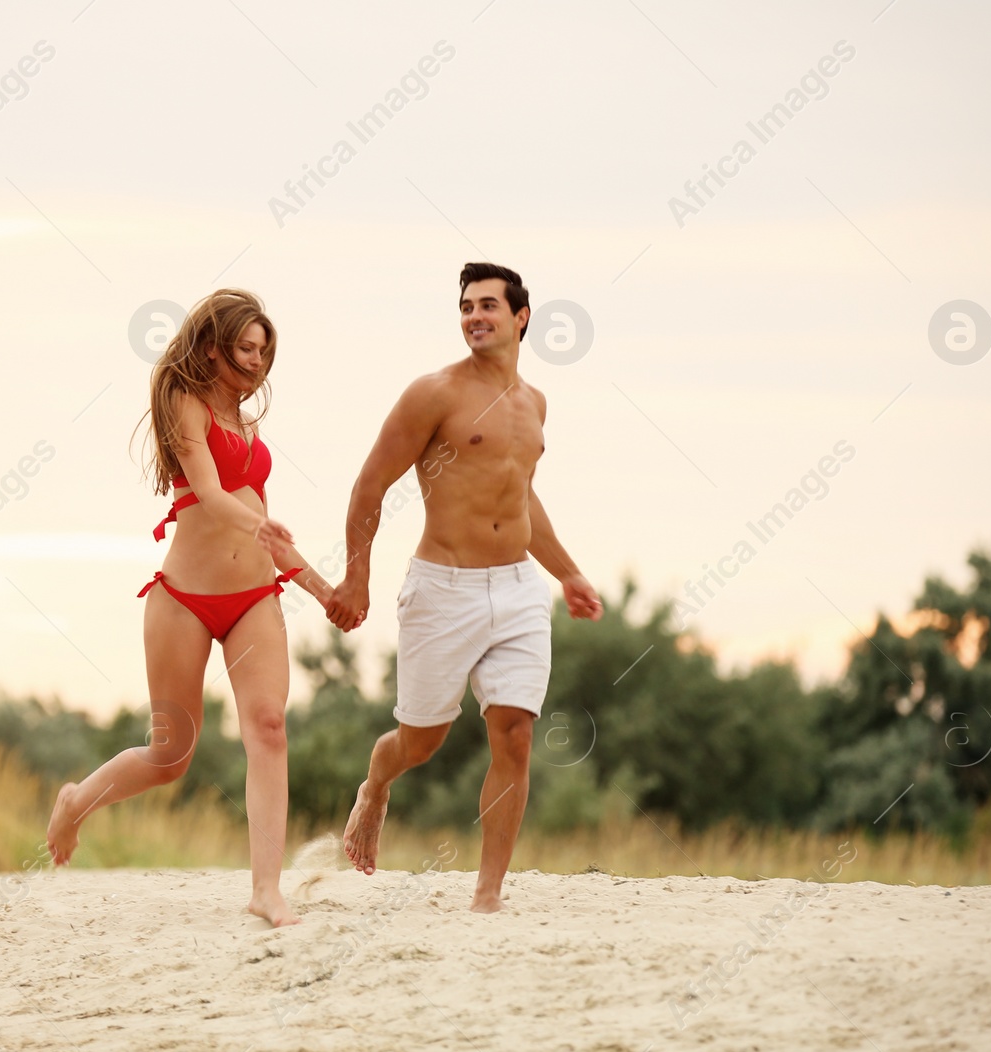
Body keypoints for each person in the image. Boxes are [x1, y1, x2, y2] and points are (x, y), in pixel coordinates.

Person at [46, 288, 334, 928]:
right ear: (212, 344)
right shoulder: (186, 402)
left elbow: (261, 522)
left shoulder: (243, 418)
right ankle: (76, 800)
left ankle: (266, 890)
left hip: (256, 598)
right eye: (245, 347)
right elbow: (209, 491)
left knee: (268, 727)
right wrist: (257, 523)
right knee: (171, 756)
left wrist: (322, 589)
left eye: (265, 351)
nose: (257, 362)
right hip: (183, 601)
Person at [326, 262, 603, 913]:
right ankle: (375, 787)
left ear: (521, 317)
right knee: (420, 742)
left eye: (488, 305)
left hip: (517, 590)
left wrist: (567, 571)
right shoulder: (434, 393)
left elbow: (521, 499)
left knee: (514, 734)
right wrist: (356, 575)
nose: (474, 316)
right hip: (442, 588)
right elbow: (370, 485)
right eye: (466, 306)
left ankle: (487, 895)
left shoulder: (533, 403)